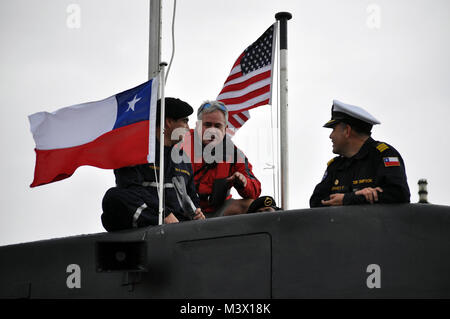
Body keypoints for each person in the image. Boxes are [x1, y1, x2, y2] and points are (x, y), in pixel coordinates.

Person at [101, 97, 205, 232]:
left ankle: (173, 227)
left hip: (179, 223)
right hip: (150, 219)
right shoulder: (137, 152)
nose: (188, 128)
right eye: (184, 121)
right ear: (168, 122)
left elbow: (192, 196)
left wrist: (196, 212)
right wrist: (164, 214)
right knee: (113, 197)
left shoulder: (183, 160)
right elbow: (130, 188)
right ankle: (161, 225)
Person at [310, 100, 410, 207]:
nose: (331, 136)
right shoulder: (335, 165)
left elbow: (399, 194)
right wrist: (356, 196)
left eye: (334, 129)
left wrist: (348, 199)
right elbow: (316, 202)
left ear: (347, 131)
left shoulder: (384, 155)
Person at [183, 100, 261, 218]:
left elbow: (255, 190)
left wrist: (243, 183)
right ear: (198, 126)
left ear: (225, 129)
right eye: (207, 125)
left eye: (218, 126)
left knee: (254, 205)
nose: (212, 130)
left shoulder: (234, 154)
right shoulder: (180, 141)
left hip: (218, 211)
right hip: (184, 209)